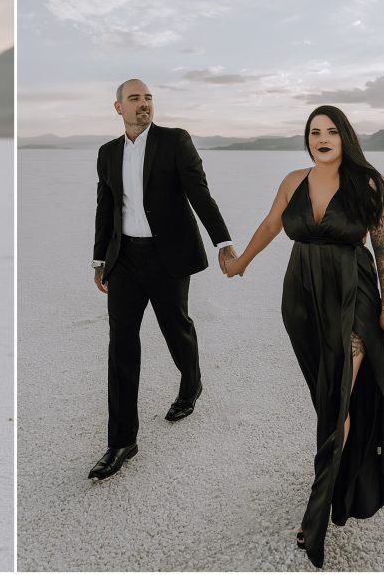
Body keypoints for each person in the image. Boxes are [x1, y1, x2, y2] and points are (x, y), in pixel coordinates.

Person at [225, 105, 384, 567]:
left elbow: (383, 250)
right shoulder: (292, 181)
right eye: (313, 132)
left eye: (330, 131)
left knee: (339, 397)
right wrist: (242, 261)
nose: (321, 138)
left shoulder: (367, 184)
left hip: (353, 299)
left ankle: (316, 516)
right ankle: (339, 480)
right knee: (326, 397)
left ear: (345, 136)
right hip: (302, 300)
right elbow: (271, 225)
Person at [89, 79, 236, 481]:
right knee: (121, 345)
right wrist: (100, 259)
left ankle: (191, 385)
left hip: (168, 256)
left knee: (176, 328)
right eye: (134, 99)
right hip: (125, 261)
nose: (144, 105)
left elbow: (199, 193)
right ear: (118, 107)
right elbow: (106, 209)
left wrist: (223, 241)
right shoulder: (107, 153)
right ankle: (122, 441)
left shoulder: (175, 141)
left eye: (148, 98)